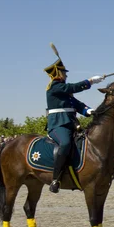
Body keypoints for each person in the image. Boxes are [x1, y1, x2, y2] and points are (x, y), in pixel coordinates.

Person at [44, 45, 104, 193]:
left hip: (71, 124)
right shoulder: (55, 87)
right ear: (58, 73)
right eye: (64, 73)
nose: (66, 75)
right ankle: (55, 179)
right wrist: (90, 81)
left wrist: (88, 110)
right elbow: (72, 87)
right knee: (65, 144)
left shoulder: (64, 91)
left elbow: (75, 104)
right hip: (58, 125)